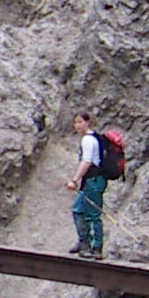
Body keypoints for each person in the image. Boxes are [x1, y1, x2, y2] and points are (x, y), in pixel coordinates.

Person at [64, 111, 107, 258]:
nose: (77, 125)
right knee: (82, 210)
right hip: (95, 180)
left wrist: (74, 180)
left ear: (88, 122)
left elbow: (87, 161)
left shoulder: (87, 140)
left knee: (90, 214)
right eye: (75, 122)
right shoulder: (95, 137)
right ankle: (86, 242)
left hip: (92, 181)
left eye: (80, 122)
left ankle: (92, 247)